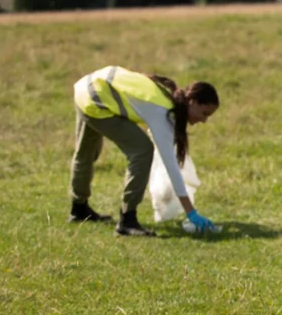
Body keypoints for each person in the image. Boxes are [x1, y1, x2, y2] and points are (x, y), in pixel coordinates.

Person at [69, 66, 220, 236]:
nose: (204, 120)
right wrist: (191, 212)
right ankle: (127, 220)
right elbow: (171, 165)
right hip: (96, 99)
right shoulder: (163, 112)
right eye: (204, 113)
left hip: (87, 87)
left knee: (86, 153)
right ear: (193, 102)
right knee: (142, 151)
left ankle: (78, 209)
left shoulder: (167, 95)